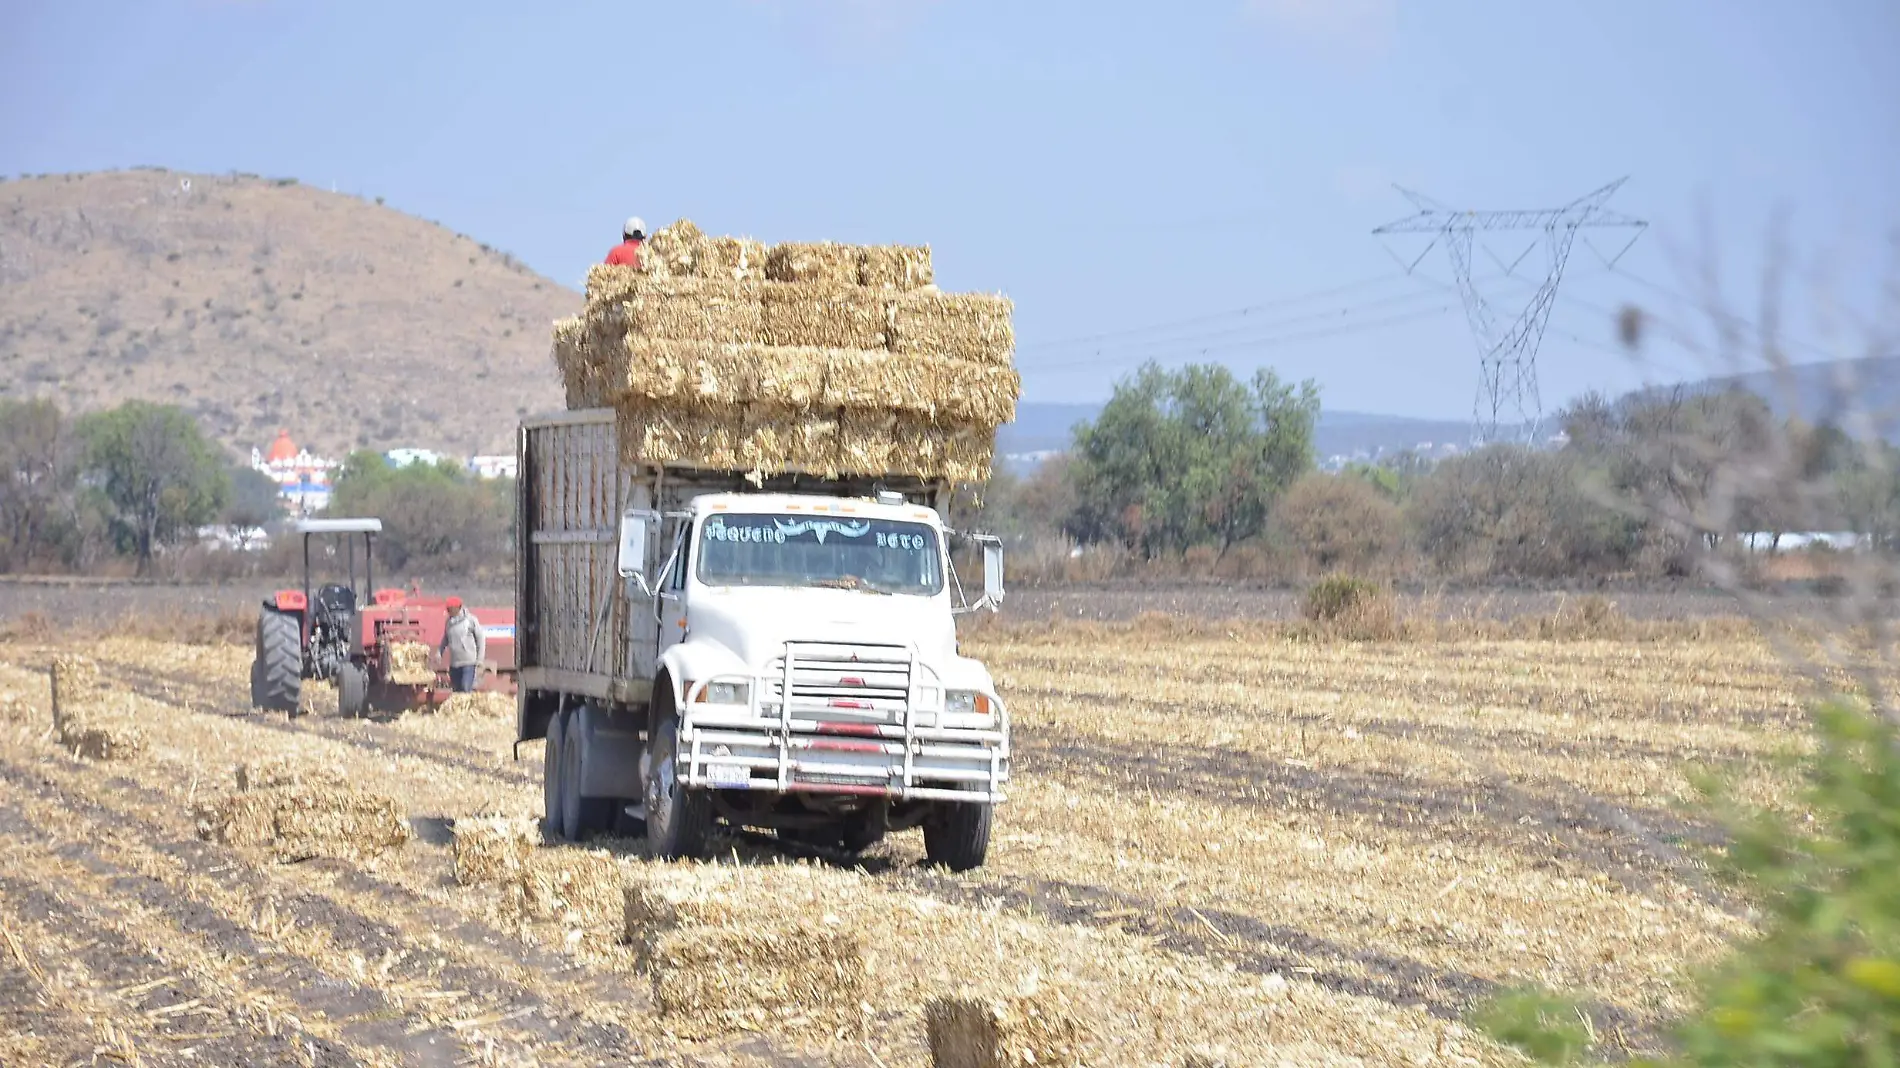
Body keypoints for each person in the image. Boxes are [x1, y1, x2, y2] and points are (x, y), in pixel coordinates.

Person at [440, 596, 487, 694]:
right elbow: (445, 639)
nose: (449, 611)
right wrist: (439, 652)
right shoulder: (449, 623)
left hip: (468, 663)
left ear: (458, 608)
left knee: (466, 689)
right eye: (448, 609)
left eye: (451, 609)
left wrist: (480, 660)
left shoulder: (470, 620)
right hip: (454, 664)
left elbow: (480, 639)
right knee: (456, 692)